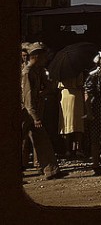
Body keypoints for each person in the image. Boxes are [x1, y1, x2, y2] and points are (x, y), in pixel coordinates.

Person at [21, 42, 66, 180]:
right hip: (26, 112)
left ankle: (51, 170)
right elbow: (27, 98)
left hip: (34, 110)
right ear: (36, 56)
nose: (46, 58)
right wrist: (35, 117)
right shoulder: (27, 73)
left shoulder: (37, 71)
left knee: (42, 139)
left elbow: (50, 88)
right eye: (44, 55)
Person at [58, 71, 86, 159]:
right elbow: (80, 84)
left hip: (65, 95)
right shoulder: (78, 70)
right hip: (76, 94)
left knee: (65, 122)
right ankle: (78, 148)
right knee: (78, 123)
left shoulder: (61, 71)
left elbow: (59, 85)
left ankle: (67, 150)